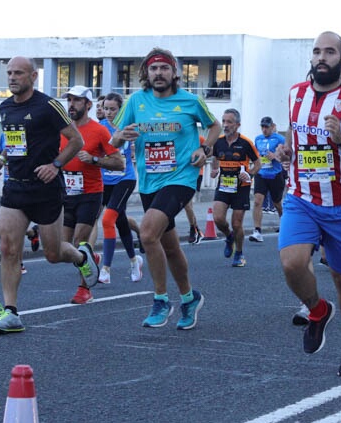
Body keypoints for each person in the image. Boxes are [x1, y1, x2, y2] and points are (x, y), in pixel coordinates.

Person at [276, 31, 341, 377]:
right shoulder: (295, 94)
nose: (322, 57)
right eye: (317, 51)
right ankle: (318, 310)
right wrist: (284, 150)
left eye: (330, 52)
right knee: (292, 263)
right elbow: (292, 135)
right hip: (301, 197)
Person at [0, 57, 97, 334]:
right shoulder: (5, 107)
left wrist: (55, 165)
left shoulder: (48, 106)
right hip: (16, 187)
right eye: (9, 72)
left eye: (18, 73)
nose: (12, 77)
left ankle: (82, 258)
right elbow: (15, 141)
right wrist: (1, 158)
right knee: (8, 248)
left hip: (46, 189)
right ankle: (10, 313)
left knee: (53, 253)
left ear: (33, 76)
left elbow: (76, 140)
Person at [111, 48, 221, 329]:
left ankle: (160, 299)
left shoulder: (190, 101)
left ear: (174, 73)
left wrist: (205, 148)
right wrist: (121, 136)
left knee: (148, 233)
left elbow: (215, 125)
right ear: (146, 74)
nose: (158, 73)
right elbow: (114, 139)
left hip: (182, 177)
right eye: (153, 69)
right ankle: (188, 298)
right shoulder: (136, 101)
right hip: (150, 181)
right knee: (170, 247)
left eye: (164, 68)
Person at [59, 86, 125, 304]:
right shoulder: (62, 130)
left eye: (77, 101)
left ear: (88, 104)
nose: (72, 105)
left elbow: (118, 163)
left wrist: (95, 160)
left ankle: (84, 289)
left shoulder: (99, 131)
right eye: (69, 100)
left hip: (91, 193)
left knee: (80, 240)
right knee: (61, 248)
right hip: (66, 193)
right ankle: (90, 258)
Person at [97, 92, 145, 283]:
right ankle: (135, 261)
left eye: (113, 109)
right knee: (121, 221)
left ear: (121, 109)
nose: (108, 113)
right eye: (105, 108)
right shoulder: (100, 128)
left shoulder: (129, 126)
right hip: (105, 181)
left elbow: (140, 145)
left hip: (125, 179)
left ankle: (106, 269)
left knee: (108, 219)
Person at [210, 108, 260, 268]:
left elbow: (258, 163)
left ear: (237, 125)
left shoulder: (246, 143)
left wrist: (250, 175)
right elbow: (215, 158)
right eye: (223, 121)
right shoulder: (218, 141)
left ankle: (239, 253)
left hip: (241, 187)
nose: (225, 125)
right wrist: (214, 169)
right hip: (224, 185)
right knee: (217, 218)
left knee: (237, 223)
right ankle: (229, 236)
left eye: (229, 122)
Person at [250, 116, 286, 244]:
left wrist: (275, 156)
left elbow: (286, 155)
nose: (264, 130)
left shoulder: (280, 138)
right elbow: (255, 154)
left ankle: (284, 223)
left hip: (275, 175)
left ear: (272, 126)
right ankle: (257, 231)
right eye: (262, 127)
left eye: (267, 127)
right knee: (257, 202)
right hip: (261, 174)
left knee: (277, 203)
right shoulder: (258, 139)